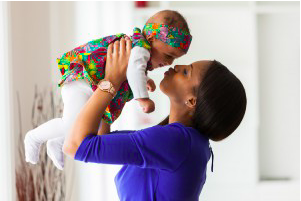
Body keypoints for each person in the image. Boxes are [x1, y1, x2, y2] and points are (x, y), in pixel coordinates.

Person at [63, 37, 247, 200]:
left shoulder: (177, 142)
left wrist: (111, 81)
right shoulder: (185, 142)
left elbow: (75, 146)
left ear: (192, 100)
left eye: (186, 72)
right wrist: (117, 83)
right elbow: (100, 140)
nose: (176, 66)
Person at [24, 10, 192, 170]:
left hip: (91, 85)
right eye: (169, 55)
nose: (170, 63)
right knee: (71, 124)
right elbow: (133, 70)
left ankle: (58, 142)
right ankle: (34, 137)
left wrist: (145, 80)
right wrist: (143, 98)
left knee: (84, 125)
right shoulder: (140, 50)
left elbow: (131, 70)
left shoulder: (138, 52)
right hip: (82, 82)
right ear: (151, 37)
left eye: (174, 58)